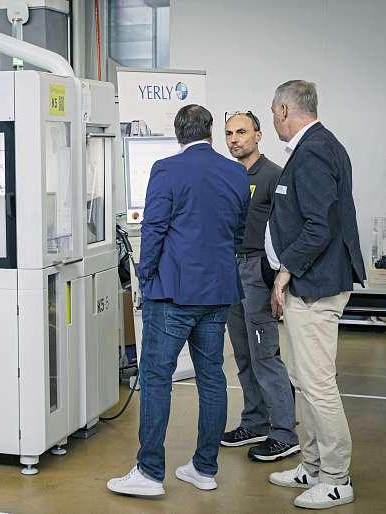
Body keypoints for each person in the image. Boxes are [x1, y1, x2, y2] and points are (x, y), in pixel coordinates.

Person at [107, 105, 250, 497]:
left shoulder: (166, 170)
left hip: (173, 292)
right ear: (210, 132)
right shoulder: (236, 172)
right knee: (212, 378)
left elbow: (153, 229)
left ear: (178, 134)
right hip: (218, 291)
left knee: (156, 378)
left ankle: (150, 472)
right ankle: (204, 468)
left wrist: (145, 276)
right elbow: (237, 231)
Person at [265, 80, 366, 510]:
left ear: (285, 110)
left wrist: (285, 270)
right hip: (308, 285)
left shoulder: (314, 151)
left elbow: (319, 226)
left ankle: (336, 478)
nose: (273, 120)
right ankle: (312, 465)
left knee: (318, 385)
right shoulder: (317, 146)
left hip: (314, 287)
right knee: (302, 382)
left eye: (273, 112)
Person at [222, 111, 299, 462]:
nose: (234, 139)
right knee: (242, 354)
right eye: (228, 133)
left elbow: (287, 228)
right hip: (229, 269)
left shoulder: (272, 175)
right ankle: (254, 422)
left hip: (258, 269)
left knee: (264, 354)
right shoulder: (227, 175)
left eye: (241, 132)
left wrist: (279, 278)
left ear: (258, 134)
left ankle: (284, 432)